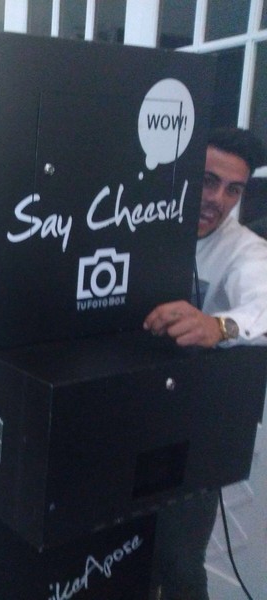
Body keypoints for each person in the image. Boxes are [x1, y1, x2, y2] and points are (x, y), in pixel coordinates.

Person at [143, 127, 267, 600]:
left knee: (178, 561)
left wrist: (220, 327)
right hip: (130, 408)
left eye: (233, 189)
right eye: (209, 181)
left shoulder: (245, 250)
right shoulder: (143, 217)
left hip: (194, 426)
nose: (218, 199)